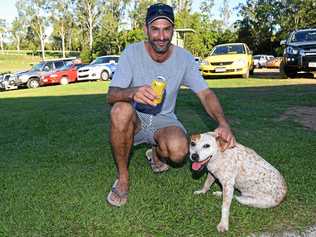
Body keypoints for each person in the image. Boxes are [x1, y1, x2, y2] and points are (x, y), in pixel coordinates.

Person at [106, 3, 236, 207]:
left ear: (173, 29)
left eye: (166, 29)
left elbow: (205, 93)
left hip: (164, 120)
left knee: (178, 151)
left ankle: (156, 152)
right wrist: (133, 92)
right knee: (120, 109)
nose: (161, 36)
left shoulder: (184, 58)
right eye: (155, 29)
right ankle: (123, 177)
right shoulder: (131, 53)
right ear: (146, 29)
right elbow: (111, 95)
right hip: (135, 118)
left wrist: (223, 123)